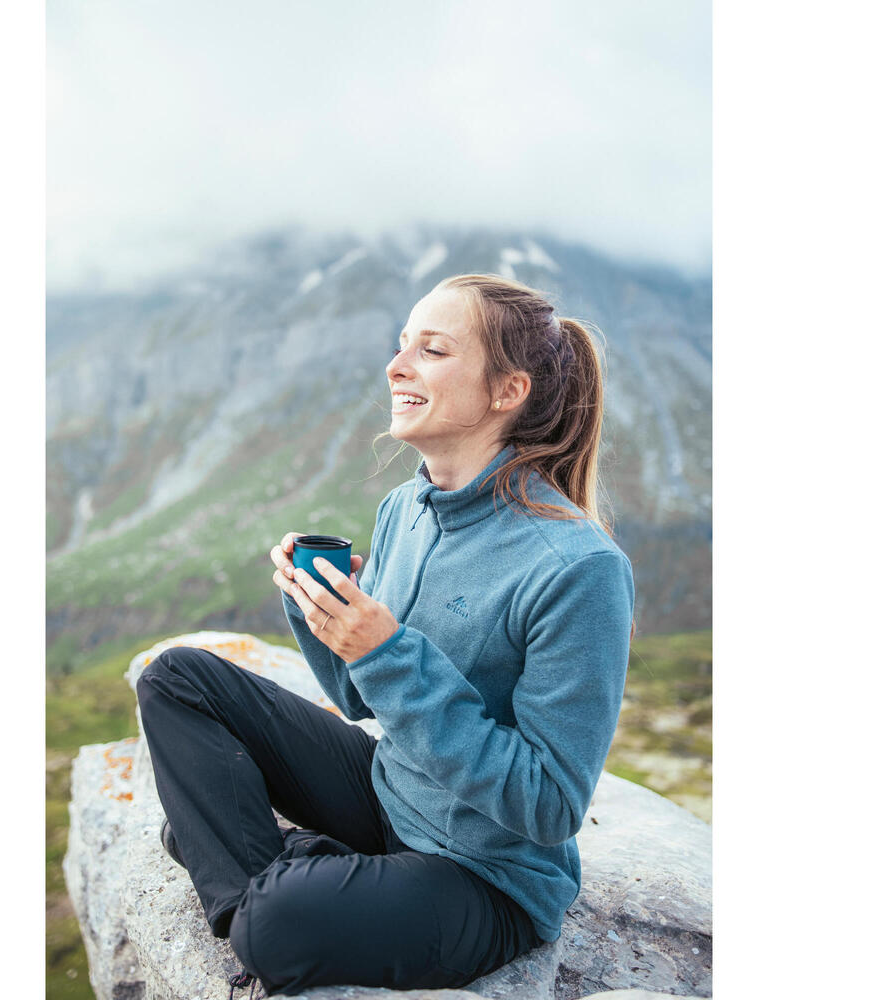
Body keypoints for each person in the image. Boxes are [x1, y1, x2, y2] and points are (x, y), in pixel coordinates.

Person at [136, 274, 635, 997]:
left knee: (240, 883)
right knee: (176, 678)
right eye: (402, 346)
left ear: (507, 392)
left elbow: (551, 805)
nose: (396, 367)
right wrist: (323, 613)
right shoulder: (406, 508)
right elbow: (359, 699)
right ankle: (296, 883)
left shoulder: (578, 567)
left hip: (486, 879)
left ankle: (271, 895)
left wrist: (387, 651)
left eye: (431, 351)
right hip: (388, 796)